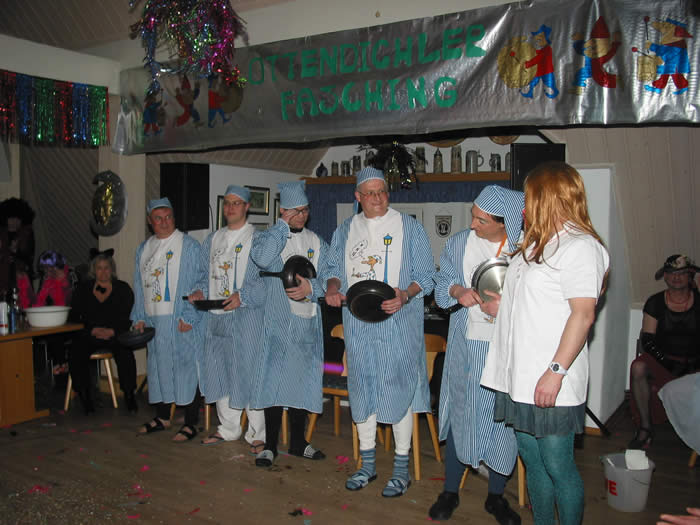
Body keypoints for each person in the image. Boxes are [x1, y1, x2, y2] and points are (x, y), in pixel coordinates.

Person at [481, 162, 609, 525]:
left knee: (557, 466)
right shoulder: (535, 245)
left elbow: (583, 315)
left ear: (549, 198)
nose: (523, 206)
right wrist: (502, 305)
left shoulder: (580, 247)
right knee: (533, 463)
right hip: (519, 377)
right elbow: (534, 302)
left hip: (551, 377)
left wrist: (555, 372)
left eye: (529, 197)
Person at [324, 166, 435, 498]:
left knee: (399, 391)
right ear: (357, 197)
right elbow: (332, 270)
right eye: (369, 193)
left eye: (382, 191)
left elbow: (426, 276)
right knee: (363, 391)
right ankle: (367, 465)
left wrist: (406, 294)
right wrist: (333, 287)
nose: (377, 198)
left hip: (398, 324)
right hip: (359, 325)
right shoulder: (345, 230)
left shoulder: (409, 228)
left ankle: (401, 470)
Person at [429, 185, 524, 524]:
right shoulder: (460, 244)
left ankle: (495, 497)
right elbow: (442, 285)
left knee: (503, 423)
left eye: (482, 220)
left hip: (509, 351)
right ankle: (450, 491)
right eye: (473, 216)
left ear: (505, 223)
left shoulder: (525, 249)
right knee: (462, 414)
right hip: (467, 347)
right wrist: (457, 290)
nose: (472, 224)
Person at [250, 181, 327, 467]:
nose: (302, 216)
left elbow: (333, 277)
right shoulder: (268, 238)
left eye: (305, 210)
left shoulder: (317, 242)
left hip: (306, 324)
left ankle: (297, 442)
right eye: (295, 211)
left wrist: (312, 288)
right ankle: (269, 445)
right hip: (277, 324)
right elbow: (261, 259)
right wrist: (282, 226)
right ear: (283, 211)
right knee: (273, 383)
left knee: (301, 383)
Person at [190, 185, 266, 451]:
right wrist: (199, 290)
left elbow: (266, 280)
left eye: (237, 203)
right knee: (219, 372)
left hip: (246, 318)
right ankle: (228, 428)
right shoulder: (213, 239)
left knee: (249, 373)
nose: (231, 207)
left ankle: (258, 433)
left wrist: (243, 295)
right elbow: (203, 274)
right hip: (216, 318)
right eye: (228, 203)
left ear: (247, 206)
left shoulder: (258, 239)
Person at [132, 198, 203, 442]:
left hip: (179, 318)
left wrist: (190, 315)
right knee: (158, 368)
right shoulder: (143, 249)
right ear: (150, 221)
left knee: (186, 369)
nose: (164, 222)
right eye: (158, 218)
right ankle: (162, 417)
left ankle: (191, 422)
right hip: (154, 320)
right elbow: (139, 286)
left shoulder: (189, 245)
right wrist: (139, 317)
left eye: (168, 217)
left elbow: (200, 283)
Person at [628, 254, 700, 449]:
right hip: (664, 360)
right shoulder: (655, 302)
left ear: (690, 276)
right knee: (638, 367)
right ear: (665, 276)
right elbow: (648, 340)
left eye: (682, 273)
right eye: (671, 273)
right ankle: (645, 428)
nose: (676, 277)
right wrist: (669, 364)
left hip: (695, 363)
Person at [68, 248, 136, 414]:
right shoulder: (83, 289)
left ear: (112, 269)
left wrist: (113, 331)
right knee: (76, 351)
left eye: (106, 268)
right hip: (91, 334)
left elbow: (128, 316)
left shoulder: (122, 289)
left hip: (114, 334)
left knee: (125, 352)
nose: (103, 272)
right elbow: (74, 316)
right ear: (94, 270)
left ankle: (129, 395)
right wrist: (92, 330)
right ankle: (85, 397)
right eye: (99, 268)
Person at [0, 197, 35, 296]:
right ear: (5, 219)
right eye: (11, 218)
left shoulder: (27, 234)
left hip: (21, 280)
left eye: (18, 219)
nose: (14, 222)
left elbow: (29, 258)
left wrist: (16, 252)